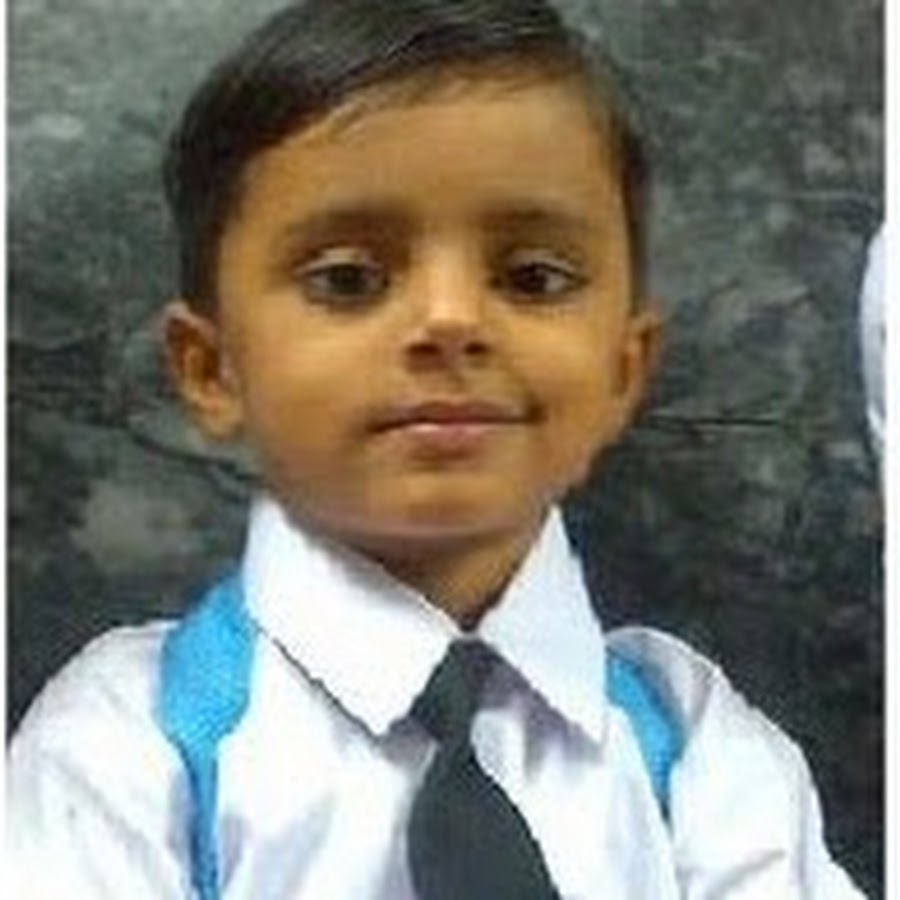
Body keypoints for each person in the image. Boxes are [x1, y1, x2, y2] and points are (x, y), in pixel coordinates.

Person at [8, 1, 865, 897]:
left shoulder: (695, 751)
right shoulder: (128, 748)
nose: (451, 319)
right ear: (211, 368)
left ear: (625, 367)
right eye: (348, 280)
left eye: (533, 277)